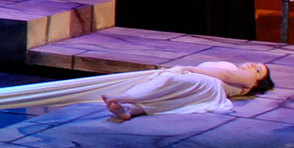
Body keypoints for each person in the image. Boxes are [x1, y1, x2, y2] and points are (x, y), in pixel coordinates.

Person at [101, 61, 273, 121]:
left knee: (168, 80)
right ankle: (129, 110)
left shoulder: (250, 80)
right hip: (208, 87)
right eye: (256, 64)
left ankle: (121, 97)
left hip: (209, 84)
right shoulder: (239, 70)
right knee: (169, 100)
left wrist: (190, 68)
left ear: (258, 81)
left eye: (258, 70)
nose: (253, 67)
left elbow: (225, 75)